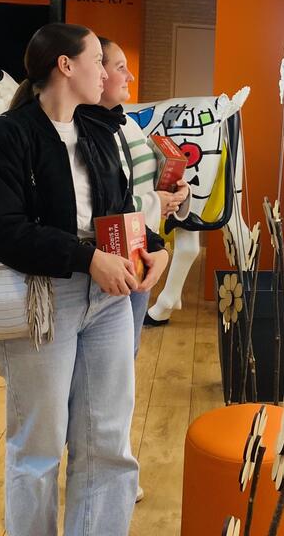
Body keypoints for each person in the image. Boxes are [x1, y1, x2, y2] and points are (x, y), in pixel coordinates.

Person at [0, 23, 164, 536]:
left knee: (108, 445)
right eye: (99, 60)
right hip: (41, 301)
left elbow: (120, 209)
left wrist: (156, 249)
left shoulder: (99, 131)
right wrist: (84, 257)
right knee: (37, 449)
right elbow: (2, 232)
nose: (108, 71)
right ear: (65, 66)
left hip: (110, 302)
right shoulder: (5, 137)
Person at [98, 36, 189, 350]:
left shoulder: (126, 124)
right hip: (107, 257)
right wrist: (154, 202)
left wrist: (175, 193)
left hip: (141, 247)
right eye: (120, 67)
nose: (130, 76)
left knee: (128, 350)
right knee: (115, 354)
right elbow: (96, 202)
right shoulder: (86, 133)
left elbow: (146, 179)